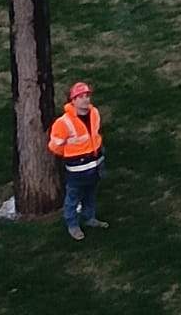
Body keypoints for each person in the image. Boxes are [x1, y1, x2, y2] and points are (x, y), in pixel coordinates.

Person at [48, 81, 106, 241]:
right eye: (80, 97)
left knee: (90, 194)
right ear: (72, 100)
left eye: (87, 96)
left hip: (95, 165)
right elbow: (55, 146)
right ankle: (72, 224)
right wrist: (70, 152)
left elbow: (96, 135)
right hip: (77, 170)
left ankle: (89, 218)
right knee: (72, 198)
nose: (85, 100)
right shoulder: (63, 123)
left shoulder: (94, 113)